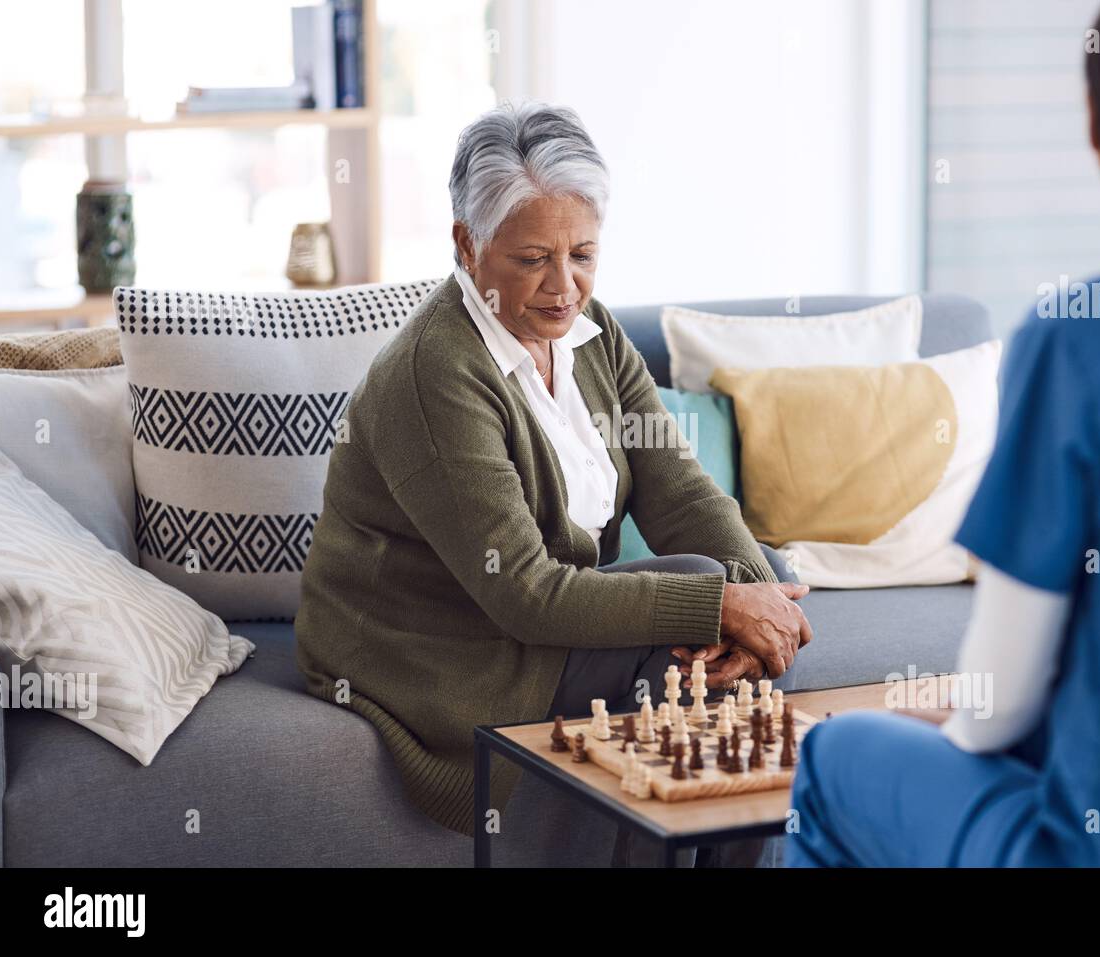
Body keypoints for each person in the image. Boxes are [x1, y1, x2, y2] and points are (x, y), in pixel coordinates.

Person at [788, 0, 1100, 867]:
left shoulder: (1080, 338)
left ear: (1098, 125)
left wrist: (953, 721)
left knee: (832, 759)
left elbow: (998, 706)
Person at [295, 102, 812, 863]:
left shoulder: (591, 335)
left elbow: (680, 491)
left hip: (538, 611)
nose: (564, 286)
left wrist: (754, 591)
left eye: (583, 254)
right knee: (706, 599)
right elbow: (524, 592)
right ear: (468, 246)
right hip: (442, 645)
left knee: (760, 574)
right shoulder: (435, 373)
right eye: (533, 258)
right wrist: (722, 601)